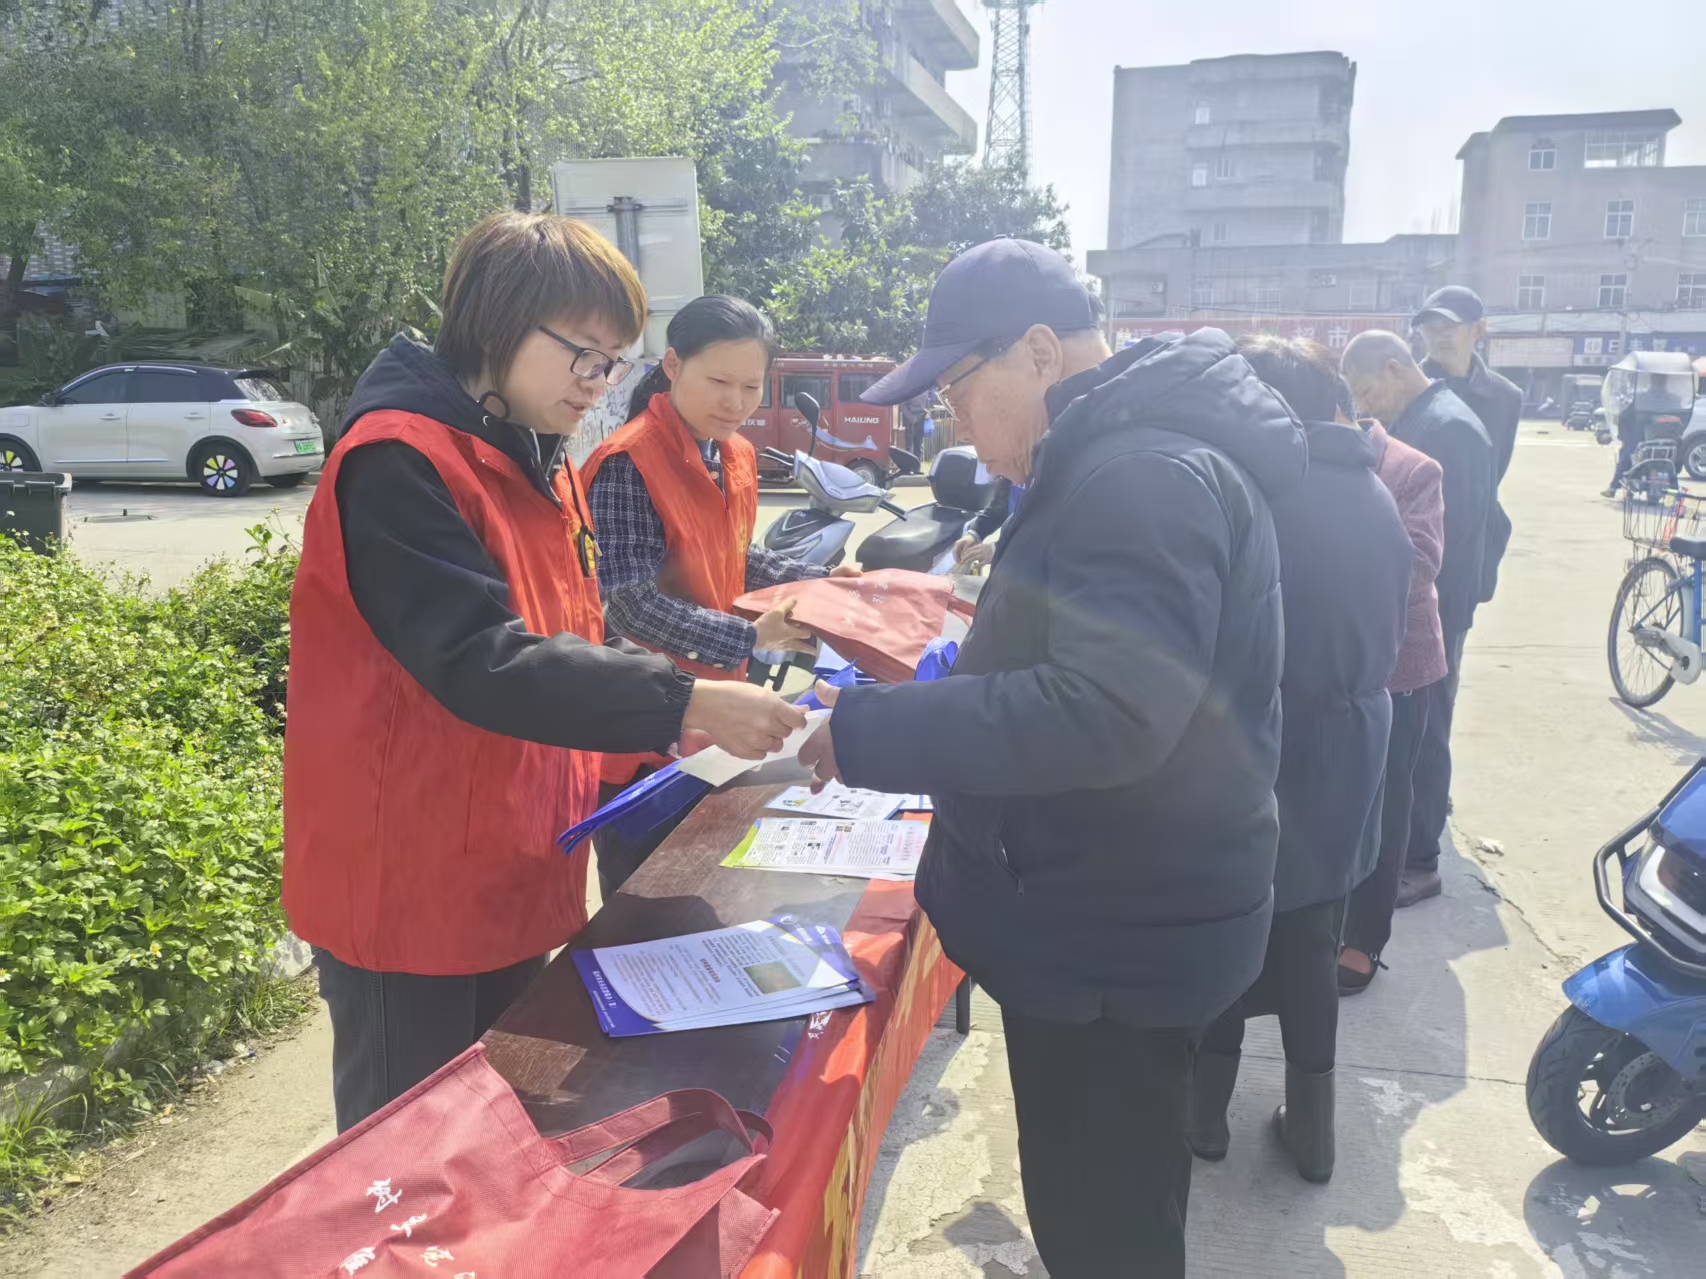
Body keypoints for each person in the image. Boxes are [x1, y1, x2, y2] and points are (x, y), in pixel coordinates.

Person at [800, 237, 1307, 1277]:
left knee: (1104, 1229)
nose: (954, 426)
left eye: (955, 394)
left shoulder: (1139, 474)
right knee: (1107, 1204)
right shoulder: (1115, 453)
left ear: (1037, 351)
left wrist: (863, 732)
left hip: (1113, 939)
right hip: (1119, 911)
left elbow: (1106, 711)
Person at [282, 214, 805, 1132]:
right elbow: (481, 658)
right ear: (498, 324)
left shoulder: (531, 456)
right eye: (584, 356)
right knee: (407, 1147)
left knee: (501, 1128)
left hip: (512, 861)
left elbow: (577, 625)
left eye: (612, 361)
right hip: (412, 881)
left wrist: (690, 694)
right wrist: (682, 699)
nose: (599, 383)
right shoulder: (400, 461)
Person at [1186, 337, 1412, 1184]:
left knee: (1229, 927)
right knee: (1314, 935)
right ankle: (1314, 1132)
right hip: (1351, 741)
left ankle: (1202, 1115)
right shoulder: (1372, 491)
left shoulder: (1259, 488)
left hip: (1263, 739)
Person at [582, 296, 854, 895]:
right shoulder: (628, 461)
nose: (735, 402)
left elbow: (736, 555)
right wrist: (748, 636)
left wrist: (821, 582)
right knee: (646, 895)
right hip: (648, 723)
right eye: (719, 382)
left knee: (712, 885)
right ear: (673, 366)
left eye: (751, 387)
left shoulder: (734, 454)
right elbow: (627, 602)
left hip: (722, 719)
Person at [1341, 330, 1497, 909]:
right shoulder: (1422, 416)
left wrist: (1435, 612)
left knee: (1425, 743)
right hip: (1418, 603)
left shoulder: (1447, 428)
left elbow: (1451, 538)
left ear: (1393, 367)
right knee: (1416, 742)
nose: (1366, 406)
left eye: (1367, 391)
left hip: (1436, 606)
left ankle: (1421, 860)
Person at [1338, 382, 1450, 994]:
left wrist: (1333, 568)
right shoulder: (1298, 462)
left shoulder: (1412, 469)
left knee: (1384, 804)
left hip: (1398, 666)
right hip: (1331, 660)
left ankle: (1364, 940)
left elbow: (1422, 563)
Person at [1604, 401, 1640, 497]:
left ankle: (1613, 488)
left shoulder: (1635, 403)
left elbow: (1623, 429)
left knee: (1624, 458)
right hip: (1664, 439)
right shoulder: (1668, 401)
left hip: (1636, 441)